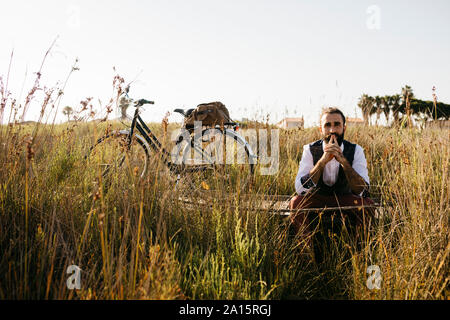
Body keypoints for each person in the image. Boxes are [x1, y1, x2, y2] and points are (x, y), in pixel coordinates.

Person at [289, 107, 375, 244]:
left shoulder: (356, 150)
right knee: (296, 202)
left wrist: (343, 162)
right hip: (318, 198)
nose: (332, 130)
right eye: (327, 125)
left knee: (367, 205)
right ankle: (307, 256)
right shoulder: (310, 150)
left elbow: (364, 191)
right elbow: (300, 189)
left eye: (337, 125)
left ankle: (360, 253)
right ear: (320, 130)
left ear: (344, 128)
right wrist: (323, 161)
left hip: (344, 198)